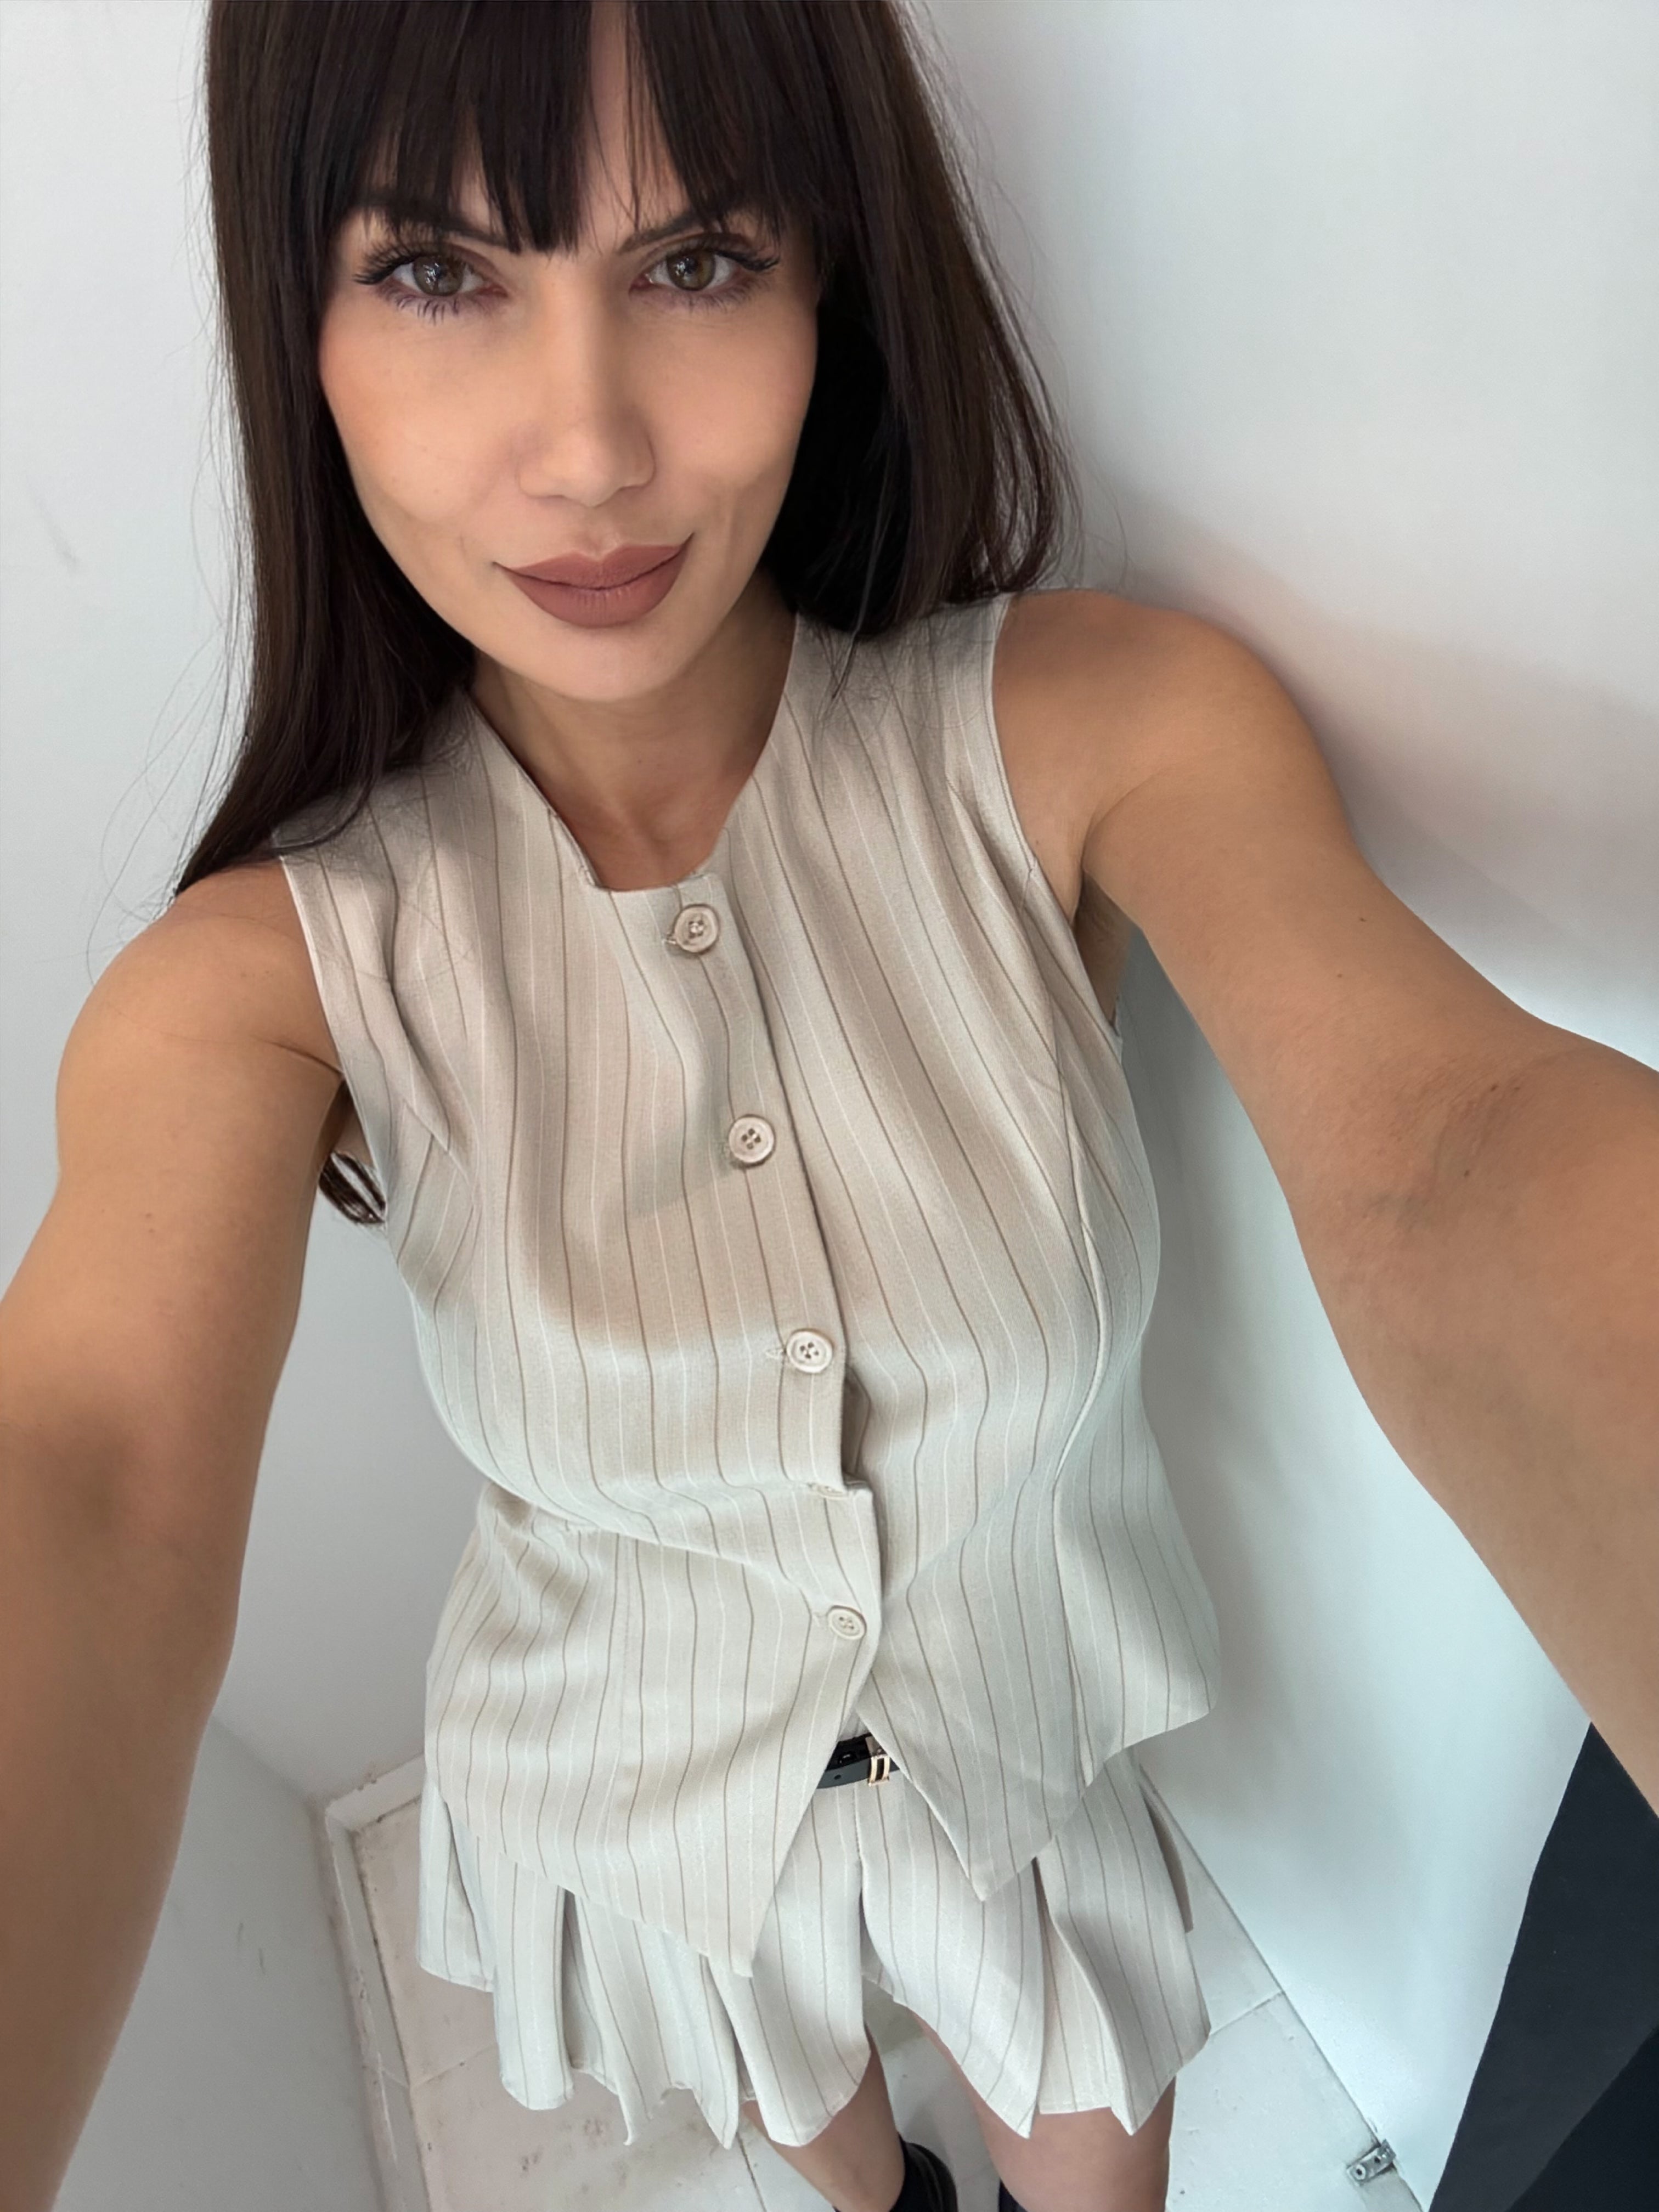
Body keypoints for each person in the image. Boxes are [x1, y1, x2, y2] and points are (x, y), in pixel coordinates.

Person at [1, 4, 1654, 2210]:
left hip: (1026, 1766)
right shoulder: (262, 981)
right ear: (295, 319)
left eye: (697, 262)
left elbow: (1451, 1158)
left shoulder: (1095, 727)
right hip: (644, 1809)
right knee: (838, 2171)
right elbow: (90, 1482)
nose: (589, 451)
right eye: (436, 271)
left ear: (827, 283)